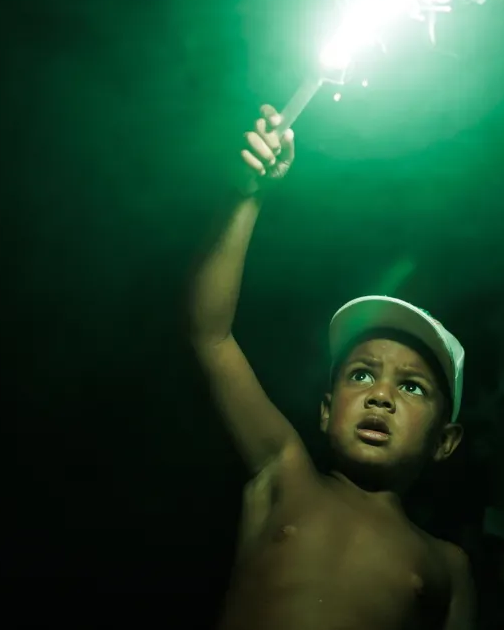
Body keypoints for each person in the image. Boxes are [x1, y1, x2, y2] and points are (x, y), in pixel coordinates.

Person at [188, 104, 475, 630]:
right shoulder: (285, 471)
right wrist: (247, 196)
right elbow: (212, 334)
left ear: (446, 441)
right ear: (325, 409)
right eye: (361, 374)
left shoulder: (446, 567)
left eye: (412, 386)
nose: (380, 396)